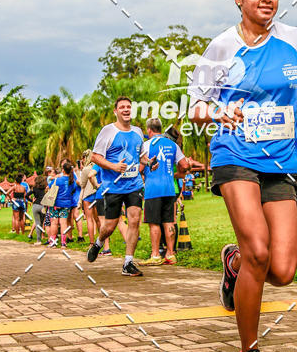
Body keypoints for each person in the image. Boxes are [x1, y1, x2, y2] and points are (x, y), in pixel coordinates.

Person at [188, 0, 297, 352]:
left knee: (283, 270)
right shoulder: (221, 48)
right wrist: (218, 110)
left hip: (281, 158)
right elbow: (195, 109)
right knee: (259, 252)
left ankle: (234, 264)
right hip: (235, 153)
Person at [86, 96, 156, 276]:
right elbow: (95, 157)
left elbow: (139, 156)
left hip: (134, 185)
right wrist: (114, 166)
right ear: (115, 111)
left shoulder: (138, 132)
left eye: (128, 107)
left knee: (134, 220)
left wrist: (148, 163)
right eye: (122, 107)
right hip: (113, 187)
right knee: (110, 225)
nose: (126, 110)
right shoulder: (108, 131)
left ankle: (128, 263)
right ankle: (99, 243)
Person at [139, 117, 190, 266]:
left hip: (153, 189)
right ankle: (170, 254)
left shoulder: (147, 145)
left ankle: (155, 255)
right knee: (169, 221)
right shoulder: (173, 145)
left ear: (149, 130)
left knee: (154, 223)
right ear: (160, 129)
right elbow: (185, 165)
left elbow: (141, 168)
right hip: (169, 189)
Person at [47, 160, 79, 248]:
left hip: (56, 204)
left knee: (54, 223)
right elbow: (73, 190)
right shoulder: (72, 181)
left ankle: (53, 242)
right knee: (63, 223)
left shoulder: (57, 180)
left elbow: (48, 187)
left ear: (63, 170)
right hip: (66, 204)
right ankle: (63, 243)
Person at [29, 173, 48, 243]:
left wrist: (31, 200)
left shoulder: (34, 188)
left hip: (35, 206)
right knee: (42, 223)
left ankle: (38, 240)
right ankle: (45, 237)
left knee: (37, 223)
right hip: (43, 206)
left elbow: (26, 196)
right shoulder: (45, 189)